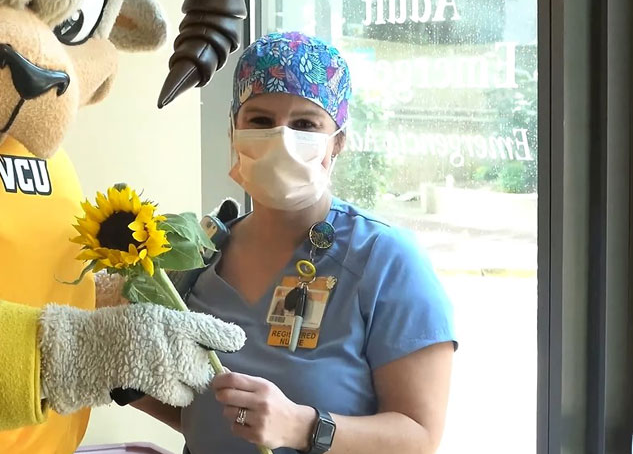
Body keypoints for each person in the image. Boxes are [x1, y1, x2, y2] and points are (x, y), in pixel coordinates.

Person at [133, 31, 457, 454]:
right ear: (234, 129)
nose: (281, 139)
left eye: (305, 124)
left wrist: (303, 427)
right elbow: (202, 410)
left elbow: (419, 437)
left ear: (337, 140)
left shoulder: (384, 260)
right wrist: (124, 372)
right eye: (261, 121)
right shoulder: (202, 251)